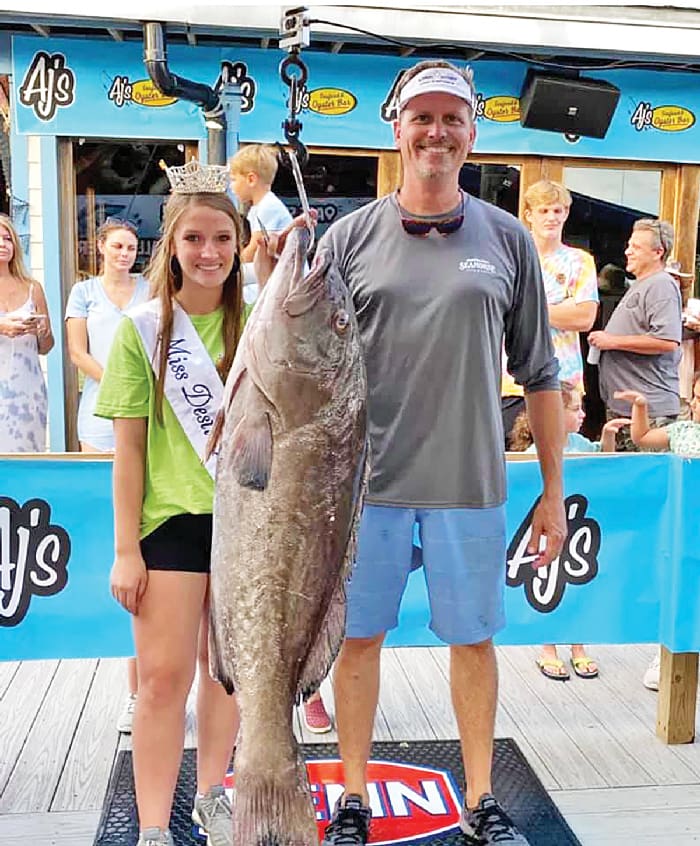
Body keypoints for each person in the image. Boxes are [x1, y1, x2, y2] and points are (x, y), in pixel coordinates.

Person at [259, 60, 567, 846]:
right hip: (364, 487)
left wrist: (553, 494)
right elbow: (298, 356)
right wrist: (269, 273)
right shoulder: (348, 238)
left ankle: (482, 797)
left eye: (451, 118)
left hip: (470, 481)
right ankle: (354, 795)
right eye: (422, 117)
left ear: (473, 133)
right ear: (396, 129)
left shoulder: (508, 239)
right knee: (359, 641)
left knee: (474, 641)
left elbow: (541, 375)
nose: (437, 132)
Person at [94, 164, 242, 846]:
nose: (209, 252)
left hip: (246, 526)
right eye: (194, 238)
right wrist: (126, 549)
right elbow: (127, 452)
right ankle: (154, 825)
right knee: (161, 680)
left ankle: (213, 795)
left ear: (239, 243)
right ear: (171, 246)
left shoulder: (259, 323)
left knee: (228, 676)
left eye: (222, 238)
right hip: (171, 524)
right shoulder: (141, 329)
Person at [65, 217, 150, 734]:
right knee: (106, 528)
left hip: (143, 421)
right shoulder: (84, 293)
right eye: (117, 245)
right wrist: (120, 381)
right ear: (100, 247)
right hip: (99, 419)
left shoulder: (149, 288)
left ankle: (141, 688)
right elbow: (77, 352)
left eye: (131, 247)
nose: (124, 253)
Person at [511, 381, 630, 680]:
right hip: (546, 531)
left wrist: (607, 435)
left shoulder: (580, 444)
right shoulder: (534, 452)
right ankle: (548, 647)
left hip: (579, 527)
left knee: (579, 584)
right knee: (548, 586)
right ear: (554, 413)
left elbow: (603, 462)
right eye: (576, 409)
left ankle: (578, 645)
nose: (582, 415)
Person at [614, 375, 700, 690]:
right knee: (678, 589)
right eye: (695, 397)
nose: (696, 404)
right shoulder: (682, 430)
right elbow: (642, 437)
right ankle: (666, 659)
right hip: (682, 526)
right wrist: (641, 406)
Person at [501, 180, 598, 449]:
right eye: (543, 211)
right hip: (512, 380)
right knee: (512, 459)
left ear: (566, 213)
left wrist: (528, 307)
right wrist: (561, 307)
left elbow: (584, 318)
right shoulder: (511, 257)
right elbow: (500, 310)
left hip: (563, 381)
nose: (551, 217)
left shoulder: (579, 261)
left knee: (556, 460)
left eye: (557, 210)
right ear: (529, 215)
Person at [588, 219, 682, 452]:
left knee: (644, 473)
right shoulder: (643, 285)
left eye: (636, 247)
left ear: (658, 252)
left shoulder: (661, 285)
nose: (627, 251)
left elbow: (667, 341)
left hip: (649, 413)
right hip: (627, 408)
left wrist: (612, 341)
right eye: (629, 245)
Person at [0, 212, 54, 451]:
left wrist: (40, 330)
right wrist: (3, 327)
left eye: (7, 239)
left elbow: (47, 346)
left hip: (27, 391)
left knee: (27, 456)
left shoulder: (33, 287)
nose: (3, 244)